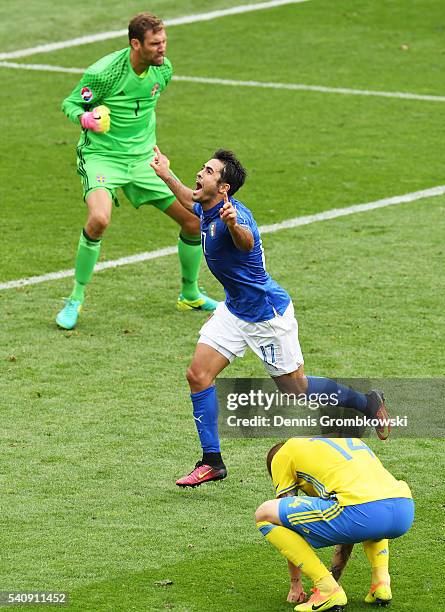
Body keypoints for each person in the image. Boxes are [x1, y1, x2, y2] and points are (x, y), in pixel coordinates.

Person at [150, 147, 390, 488]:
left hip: (266, 317)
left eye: (208, 171)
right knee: (198, 375)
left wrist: (233, 225)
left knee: (296, 389)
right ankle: (212, 461)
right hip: (234, 310)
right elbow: (190, 199)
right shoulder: (207, 204)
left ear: (224, 188)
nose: (200, 174)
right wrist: (165, 173)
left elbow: (245, 243)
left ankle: (367, 402)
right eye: (203, 168)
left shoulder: (237, 218)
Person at [56, 12, 217, 330]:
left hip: (144, 160)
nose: (163, 49)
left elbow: (143, 112)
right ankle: (75, 299)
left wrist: (150, 148)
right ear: (135, 44)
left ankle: (190, 293)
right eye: (155, 44)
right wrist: (86, 119)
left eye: (164, 42)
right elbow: (71, 104)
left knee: (193, 220)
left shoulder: (163, 71)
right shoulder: (104, 73)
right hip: (103, 157)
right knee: (99, 219)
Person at [255, 437, 414, 611]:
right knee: (363, 508)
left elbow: (285, 521)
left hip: (360, 511)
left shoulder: (282, 454)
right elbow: (350, 522)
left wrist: (296, 585)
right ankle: (381, 582)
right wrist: (335, 576)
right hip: (404, 508)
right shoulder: (338, 443)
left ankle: (326, 589)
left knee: (265, 513)